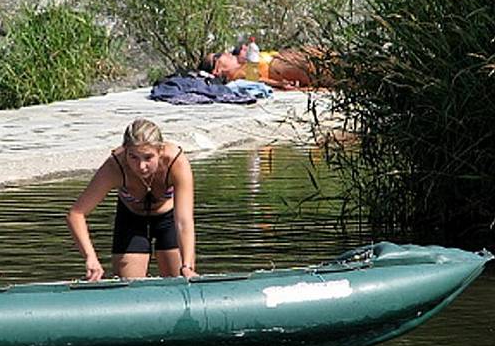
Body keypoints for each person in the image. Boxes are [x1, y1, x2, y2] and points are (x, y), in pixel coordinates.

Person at [67, 118, 198, 281]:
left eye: (148, 157)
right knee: (130, 286)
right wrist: (90, 258)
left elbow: (184, 220)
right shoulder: (115, 166)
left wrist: (187, 265)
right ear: (125, 151)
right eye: (133, 157)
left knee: (180, 278)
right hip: (131, 219)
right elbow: (76, 213)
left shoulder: (175, 162)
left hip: (169, 218)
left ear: (160, 151)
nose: (141, 166)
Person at [202, 45, 328, 89]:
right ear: (216, 70)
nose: (224, 53)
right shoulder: (237, 74)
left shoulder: (244, 63)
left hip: (285, 60)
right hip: (282, 67)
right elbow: (257, 80)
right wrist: (280, 85)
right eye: (218, 56)